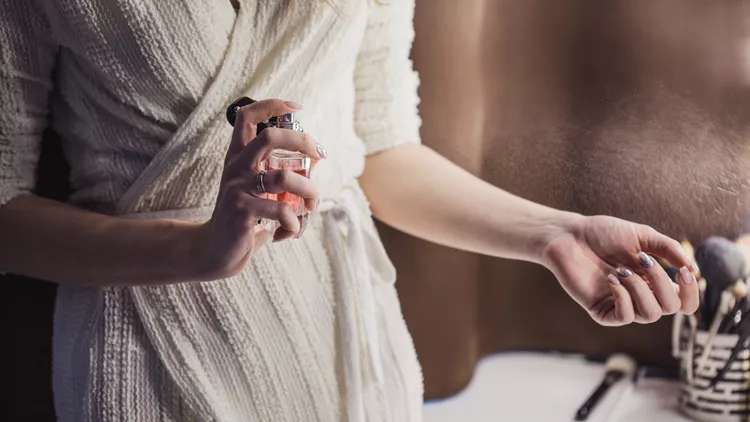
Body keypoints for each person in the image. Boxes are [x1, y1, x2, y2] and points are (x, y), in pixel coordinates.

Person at [0, 0, 699, 421]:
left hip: (342, 338)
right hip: (153, 344)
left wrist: (556, 235)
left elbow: (381, 151)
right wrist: (198, 250)